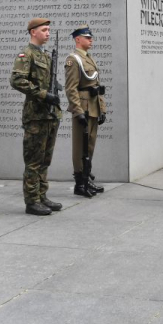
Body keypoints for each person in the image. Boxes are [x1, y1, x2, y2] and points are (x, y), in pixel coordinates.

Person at [10, 18, 63, 216]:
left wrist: (54, 93)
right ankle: (32, 201)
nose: (48, 33)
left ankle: (42, 196)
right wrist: (43, 94)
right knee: (33, 161)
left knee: (45, 160)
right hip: (36, 116)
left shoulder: (46, 56)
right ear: (33, 32)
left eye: (49, 30)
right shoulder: (27, 54)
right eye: (44, 30)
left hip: (50, 115)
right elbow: (16, 80)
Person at [64, 25, 107, 198]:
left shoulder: (89, 58)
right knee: (79, 146)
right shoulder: (73, 60)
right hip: (83, 108)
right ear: (77, 39)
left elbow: (97, 86)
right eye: (87, 37)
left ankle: (86, 178)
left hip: (93, 106)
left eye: (91, 37)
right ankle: (79, 183)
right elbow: (71, 88)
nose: (91, 40)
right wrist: (77, 111)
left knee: (89, 145)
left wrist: (102, 108)